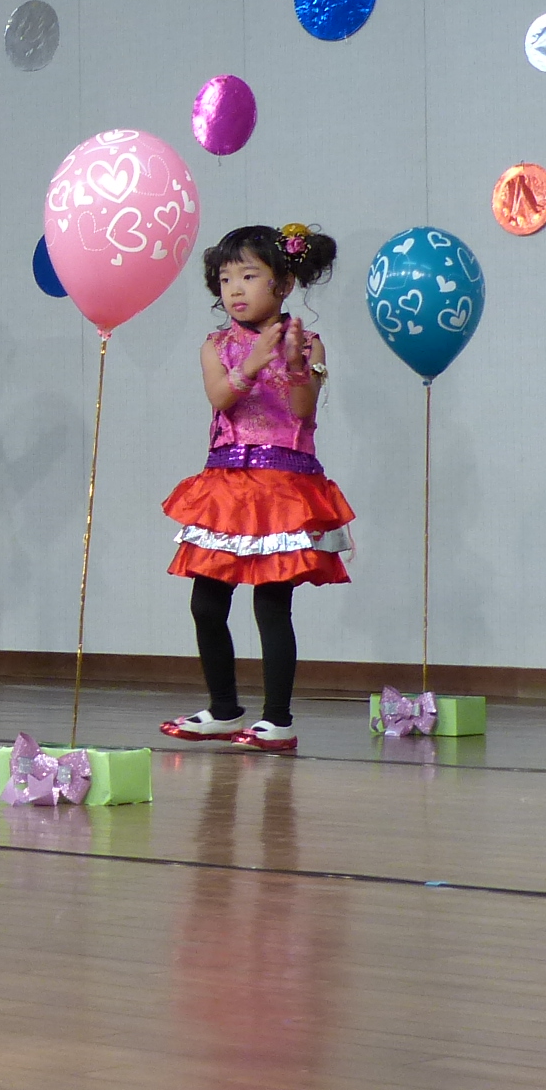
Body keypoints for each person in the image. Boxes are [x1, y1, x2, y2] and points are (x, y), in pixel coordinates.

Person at [158, 225, 353, 754]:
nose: (235, 290)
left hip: (284, 487)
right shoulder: (216, 345)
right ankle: (223, 708)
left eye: (249, 276)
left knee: (271, 605)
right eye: (226, 279)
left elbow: (303, 411)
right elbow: (220, 397)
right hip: (226, 486)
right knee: (206, 603)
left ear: (283, 283)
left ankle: (278, 720)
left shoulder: (307, 341)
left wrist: (292, 365)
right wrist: (251, 362)